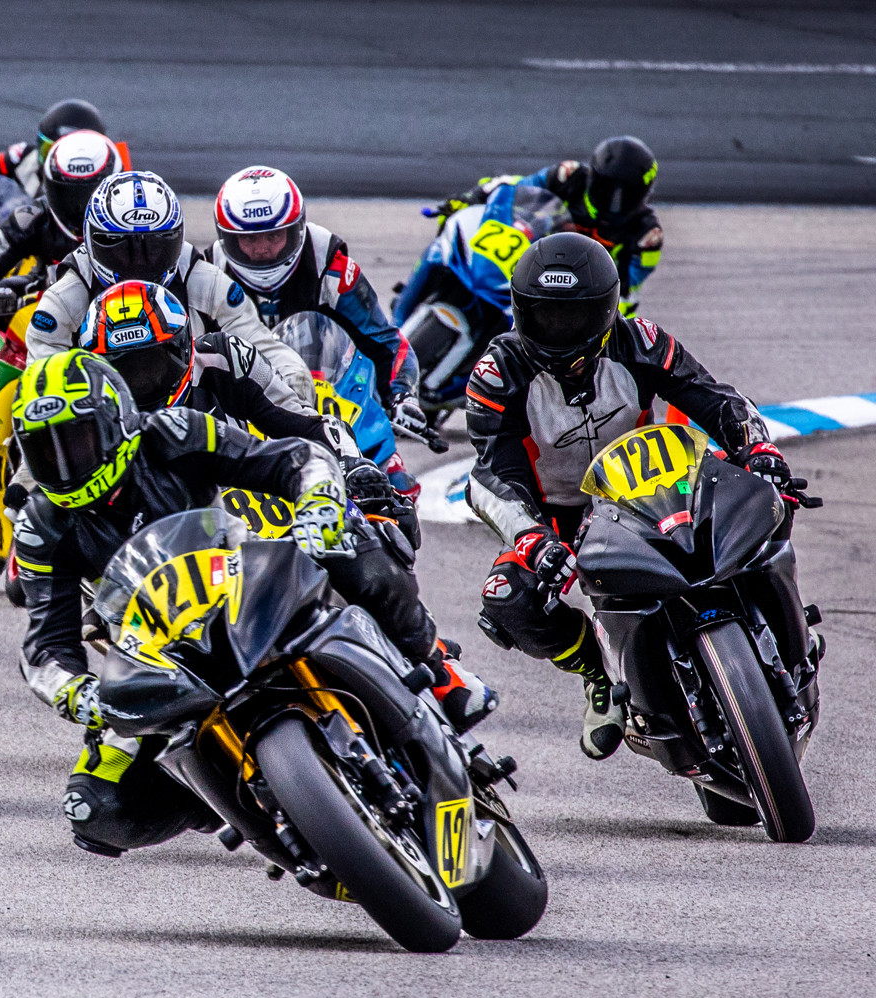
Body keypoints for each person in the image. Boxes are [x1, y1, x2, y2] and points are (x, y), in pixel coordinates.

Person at [75, 280, 495, 731]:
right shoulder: (91, 420)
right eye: (127, 372)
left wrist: (353, 468)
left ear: (181, 347)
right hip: (178, 552)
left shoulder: (221, 358)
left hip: (267, 494)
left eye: (151, 364)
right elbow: (59, 503)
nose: (142, 382)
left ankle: (438, 667)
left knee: (367, 534)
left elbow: (304, 422)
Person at [7, 349, 349, 856]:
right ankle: (226, 797)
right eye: (45, 452)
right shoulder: (40, 526)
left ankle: (434, 667)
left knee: (358, 542)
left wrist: (317, 501)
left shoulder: (175, 431)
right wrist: (78, 693)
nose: (63, 465)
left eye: (75, 442)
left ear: (114, 420)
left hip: (248, 587)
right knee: (93, 806)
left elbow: (294, 460)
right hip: (160, 656)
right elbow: (46, 645)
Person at [465, 233, 781, 760]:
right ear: (521, 312)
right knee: (506, 597)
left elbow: (714, 398)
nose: (562, 331)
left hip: (653, 485)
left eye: (577, 316)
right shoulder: (498, 374)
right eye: (547, 316)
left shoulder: (644, 342)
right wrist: (530, 537)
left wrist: (758, 447)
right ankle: (599, 672)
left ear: (609, 308)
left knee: (766, 504)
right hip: (559, 515)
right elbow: (494, 471)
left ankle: (773, 629)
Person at [213, 165, 429, 493]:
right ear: (228, 238)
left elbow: (384, 340)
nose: (262, 249)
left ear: (296, 230)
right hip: (245, 407)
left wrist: (402, 396)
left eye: (273, 235)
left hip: (326, 401)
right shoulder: (210, 272)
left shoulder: (329, 264)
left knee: (396, 484)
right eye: (250, 238)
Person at [24, 171, 315, 408]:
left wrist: (294, 381)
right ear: (92, 241)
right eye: (123, 248)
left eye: (154, 247)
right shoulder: (65, 298)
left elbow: (258, 342)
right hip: (102, 429)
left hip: (198, 422)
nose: (138, 263)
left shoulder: (202, 279)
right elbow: (40, 388)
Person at [0, 129, 123, 472]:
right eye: (68, 195)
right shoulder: (33, 218)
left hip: (120, 309)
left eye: (89, 195)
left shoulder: (134, 216)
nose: (79, 208)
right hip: (45, 296)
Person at [428, 136, 663, 315]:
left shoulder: (647, 235)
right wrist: (472, 197)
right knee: (452, 226)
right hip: (526, 255)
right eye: (609, 189)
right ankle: (415, 289)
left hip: (572, 290)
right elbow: (514, 186)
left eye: (627, 194)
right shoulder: (568, 176)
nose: (616, 202)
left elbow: (628, 288)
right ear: (594, 177)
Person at [0, 98, 108, 198]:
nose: (50, 162)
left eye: (60, 155)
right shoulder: (22, 157)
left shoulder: (111, 180)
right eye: (48, 150)